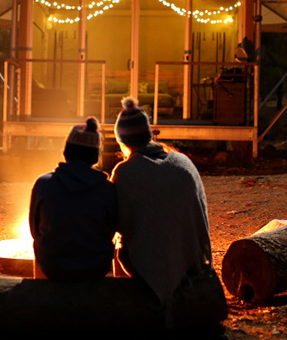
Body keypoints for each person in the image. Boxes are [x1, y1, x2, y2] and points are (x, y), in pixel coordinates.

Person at [111, 97, 213, 318]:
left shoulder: (126, 171)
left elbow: (118, 222)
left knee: (118, 242)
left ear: (123, 141)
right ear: (148, 135)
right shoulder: (183, 161)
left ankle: (125, 297)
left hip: (152, 268)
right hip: (192, 261)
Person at [28, 116, 116, 281]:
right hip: (96, 267)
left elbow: (35, 230)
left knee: (40, 246)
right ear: (95, 156)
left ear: (66, 151)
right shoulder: (107, 189)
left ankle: (40, 293)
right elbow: (110, 230)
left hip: (53, 267)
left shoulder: (43, 184)